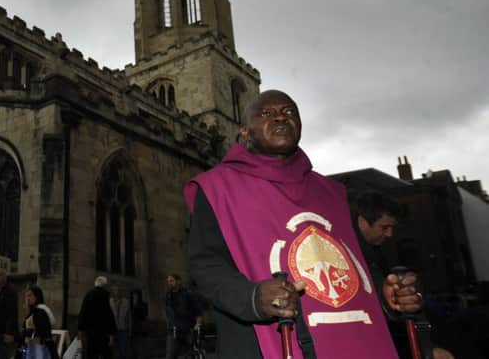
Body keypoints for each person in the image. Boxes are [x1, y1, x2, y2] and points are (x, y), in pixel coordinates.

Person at [184, 90, 424, 359]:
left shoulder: (334, 193)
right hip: (260, 343)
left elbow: (357, 264)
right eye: (266, 114)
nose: (279, 118)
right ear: (244, 132)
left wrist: (385, 296)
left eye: (288, 112)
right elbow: (206, 264)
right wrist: (251, 298)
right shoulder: (216, 188)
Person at [354, 191, 456, 359]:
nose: (390, 234)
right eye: (384, 227)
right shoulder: (354, 256)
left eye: (392, 227)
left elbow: (409, 307)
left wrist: (427, 347)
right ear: (362, 222)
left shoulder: (379, 255)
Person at [164, 274, 202, 359]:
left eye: (172, 281)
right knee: (170, 356)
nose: (169, 283)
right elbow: (168, 312)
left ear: (178, 281)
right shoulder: (168, 296)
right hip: (173, 331)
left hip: (187, 330)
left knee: (190, 355)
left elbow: (198, 311)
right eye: (168, 281)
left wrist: (197, 326)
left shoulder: (188, 294)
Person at [77, 276, 116, 359]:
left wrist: (80, 329)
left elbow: (83, 312)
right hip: (103, 331)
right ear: (104, 285)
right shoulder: (105, 295)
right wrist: (112, 333)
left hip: (90, 331)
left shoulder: (88, 294)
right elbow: (108, 314)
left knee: (91, 353)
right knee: (106, 353)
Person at [21, 285, 58, 359]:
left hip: (39, 347)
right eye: (27, 296)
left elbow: (44, 331)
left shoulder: (40, 311)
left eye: (30, 295)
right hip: (31, 347)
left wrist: (27, 332)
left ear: (37, 296)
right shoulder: (33, 311)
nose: (28, 298)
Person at [109, 285, 131, 359]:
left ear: (121, 291)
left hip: (123, 329)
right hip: (112, 330)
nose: (117, 291)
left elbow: (129, 317)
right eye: (115, 290)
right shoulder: (110, 302)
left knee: (123, 351)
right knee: (113, 351)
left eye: (118, 290)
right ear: (113, 291)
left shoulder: (126, 302)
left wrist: (129, 330)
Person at [129, 290, 148, 359]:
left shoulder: (143, 304)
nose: (135, 297)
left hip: (141, 330)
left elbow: (144, 316)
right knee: (133, 350)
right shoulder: (130, 304)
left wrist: (136, 306)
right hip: (132, 330)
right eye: (133, 296)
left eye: (136, 295)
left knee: (141, 350)